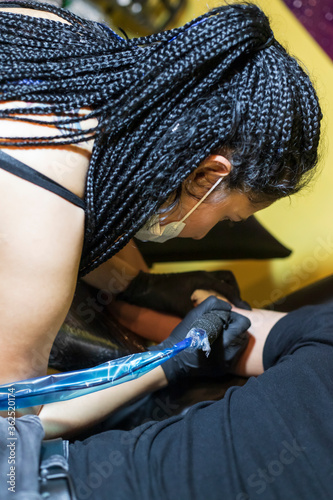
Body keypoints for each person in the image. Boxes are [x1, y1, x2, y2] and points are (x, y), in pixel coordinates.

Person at [0, 0, 322, 414]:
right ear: (207, 176)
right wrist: (165, 362)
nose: (206, 233)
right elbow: (13, 428)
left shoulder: (74, 42)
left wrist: (137, 285)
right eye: (228, 218)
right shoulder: (44, 217)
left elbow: (101, 205)